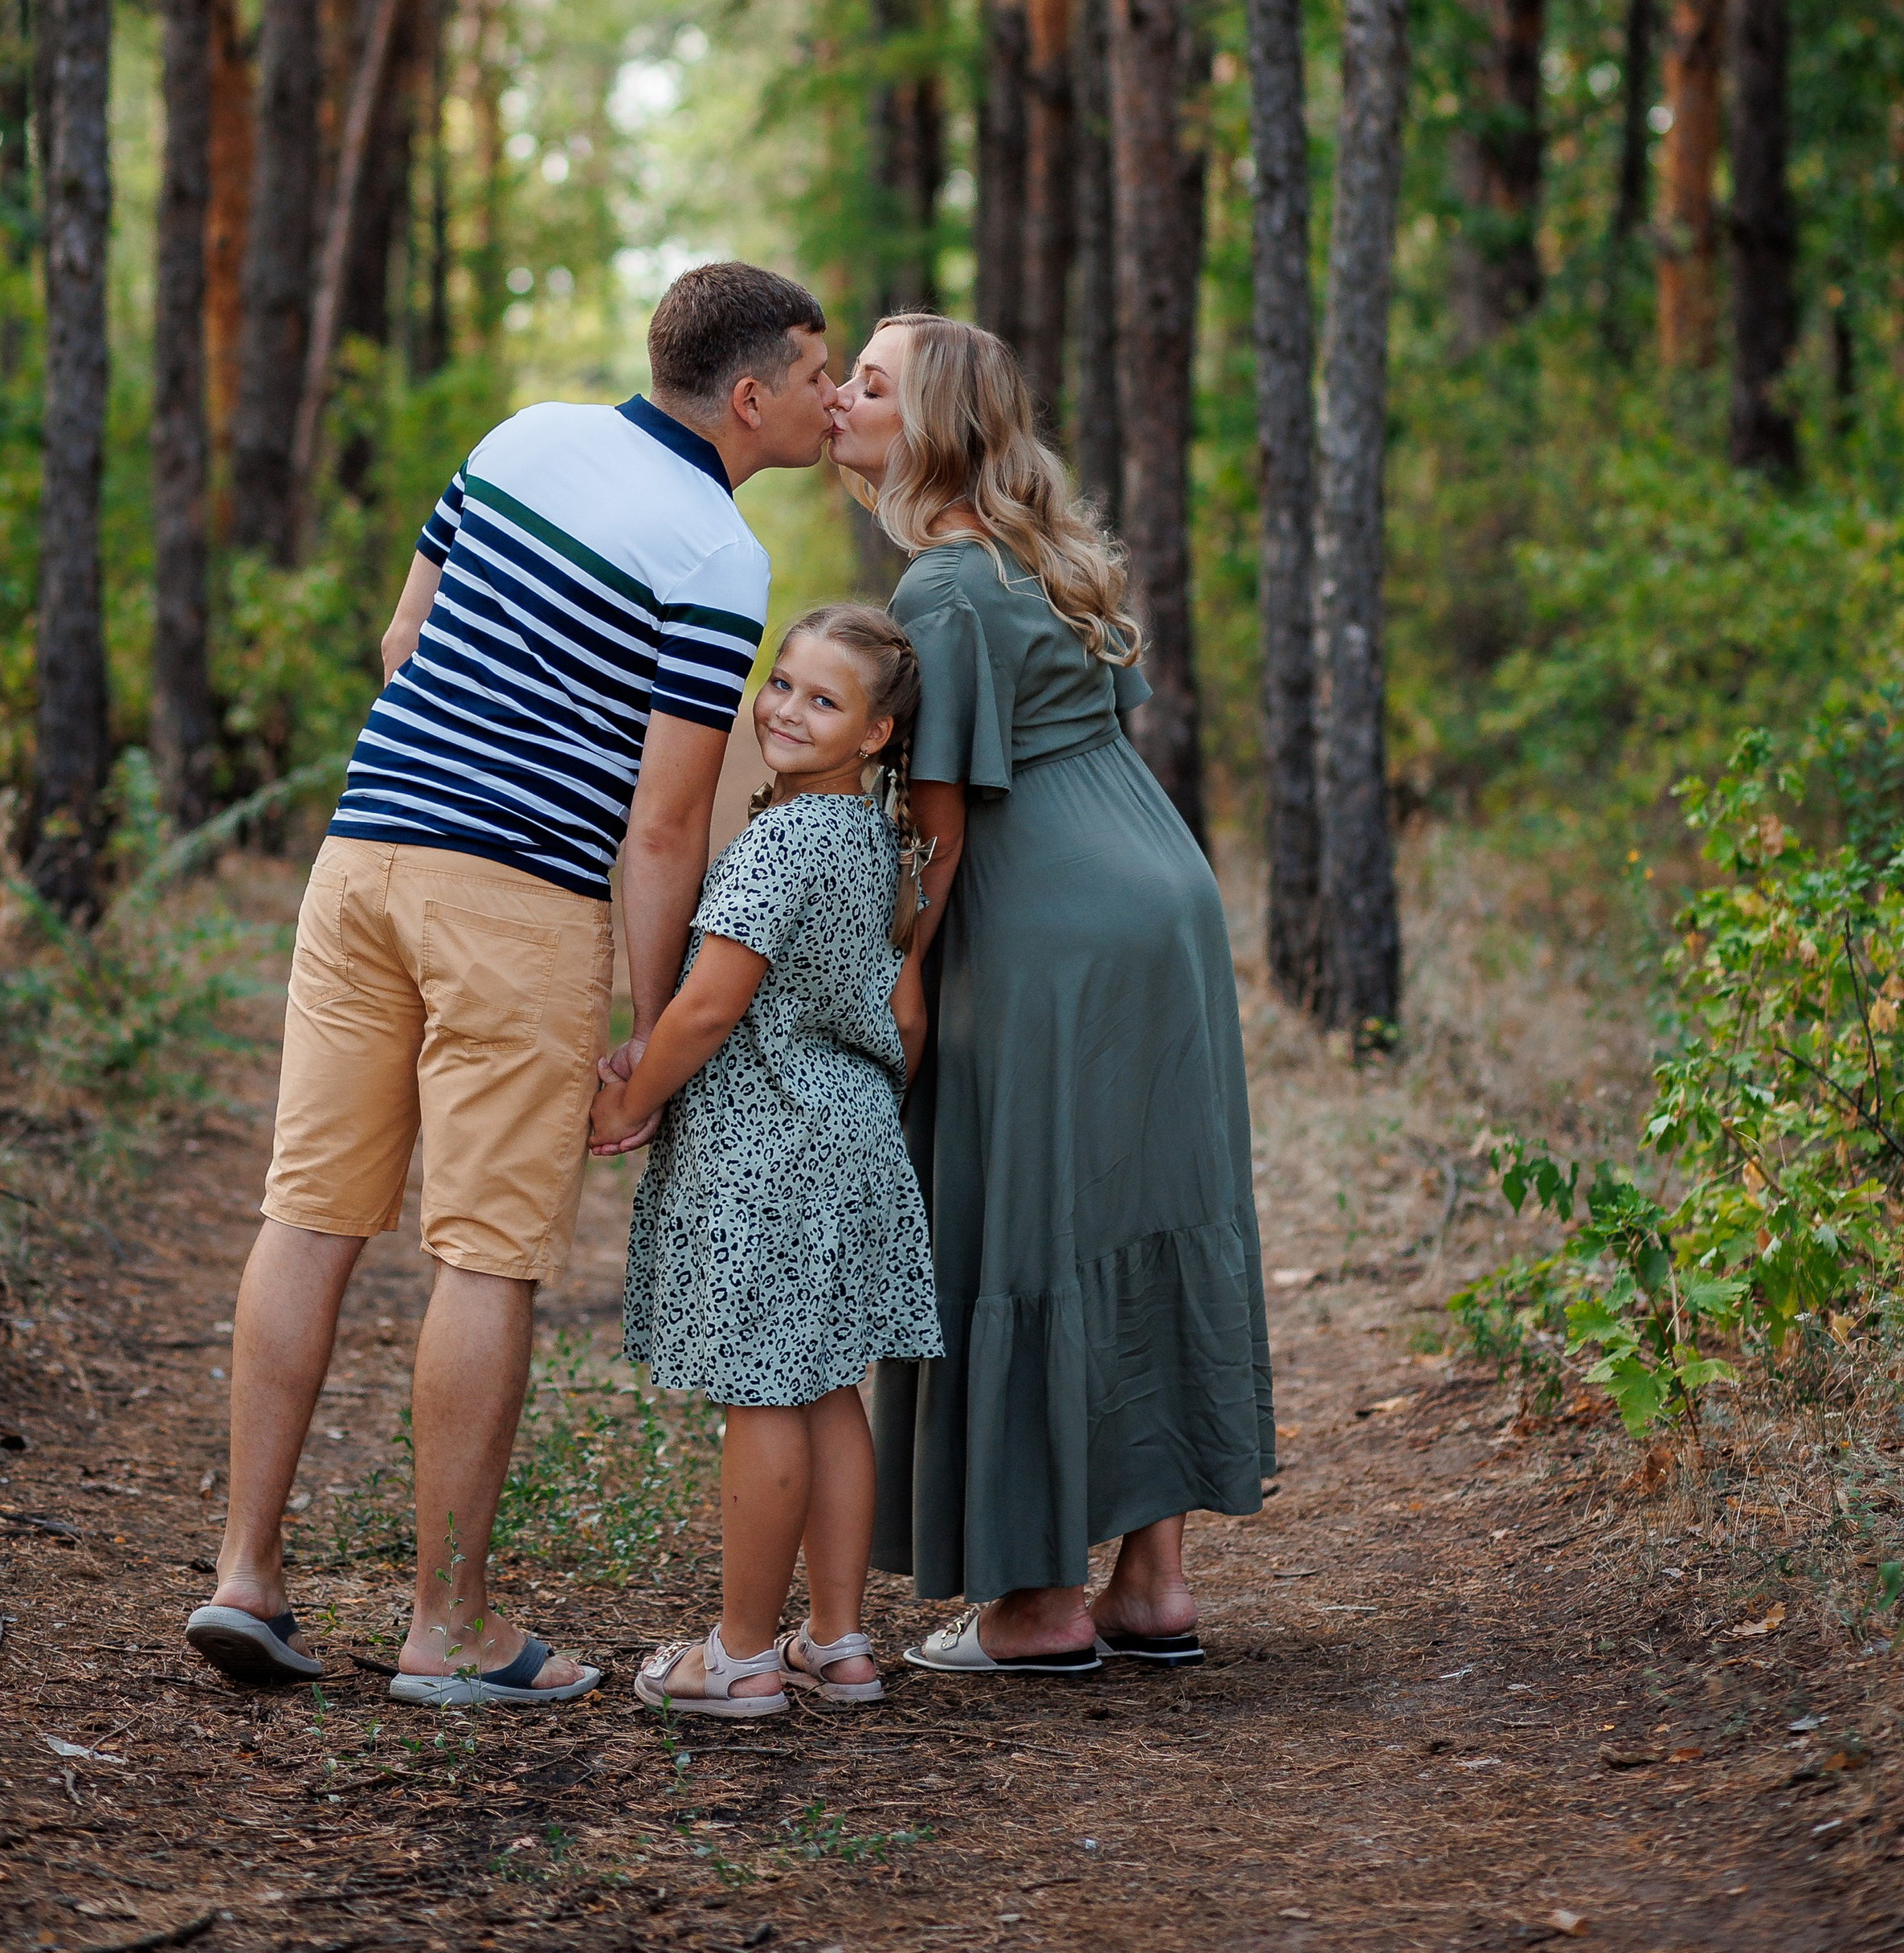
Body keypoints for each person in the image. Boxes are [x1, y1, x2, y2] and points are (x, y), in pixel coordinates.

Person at [186, 263, 836, 1706]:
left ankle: (245, 1575)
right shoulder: (718, 556)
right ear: (748, 397)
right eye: (814, 368)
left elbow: (401, 640)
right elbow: (664, 825)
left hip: (360, 863)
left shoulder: (518, 437)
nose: (829, 391)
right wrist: (653, 1027)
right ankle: (450, 1626)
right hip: (520, 902)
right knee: (485, 1254)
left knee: (307, 1213)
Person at [827, 313, 1274, 1677]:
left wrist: (899, 975)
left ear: (934, 426)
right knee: (1140, 1209)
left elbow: (942, 822)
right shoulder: (1040, 553)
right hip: (1161, 899)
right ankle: (1151, 1584)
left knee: (1019, 1218)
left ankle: (1034, 1604)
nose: (839, 399)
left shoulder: (942, 591)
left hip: (1050, 931)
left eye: (870, 383)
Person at [591, 606, 942, 1715]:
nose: (786, 709)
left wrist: (626, 1103)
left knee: (764, 1392)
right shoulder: (872, 840)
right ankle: (836, 1642)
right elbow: (906, 1010)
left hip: (769, 1144)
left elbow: (706, 1010)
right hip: (850, 1131)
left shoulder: (786, 842)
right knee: (833, 1386)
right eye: (780, 683)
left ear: (876, 733)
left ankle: (739, 1657)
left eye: (823, 699)